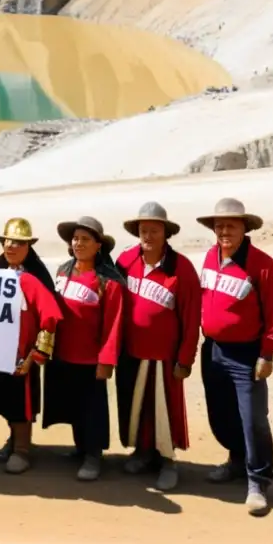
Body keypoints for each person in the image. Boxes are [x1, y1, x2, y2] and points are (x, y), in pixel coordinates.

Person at [198, 198, 273, 516]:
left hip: (246, 354)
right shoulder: (210, 257)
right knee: (221, 414)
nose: (224, 231)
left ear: (244, 228)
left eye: (231, 225)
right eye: (219, 225)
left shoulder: (261, 264)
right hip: (213, 349)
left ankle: (258, 480)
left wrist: (267, 352)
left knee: (253, 418)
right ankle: (237, 461)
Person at [115, 202, 200, 491]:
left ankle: (168, 461)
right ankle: (143, 452)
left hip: (165, 356)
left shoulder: (182, 269)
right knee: (136, 406)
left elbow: (191, 318)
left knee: (165, 411)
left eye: (154, 230)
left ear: (166, 233)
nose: (148, 236)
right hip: (132, 353)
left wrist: (185, 358)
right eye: (143, 230)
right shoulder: (125, 261)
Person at [45, 216, 124, 481]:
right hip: (63, 354)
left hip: (91, 358)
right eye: (76, 238)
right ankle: (80, 449)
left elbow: (114, 323)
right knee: (72, 406)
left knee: (92, 409)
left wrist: (107, 360)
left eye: (85, 239)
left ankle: (93, 455)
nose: (79, 243)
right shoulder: (63, 271)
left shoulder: (108, 281)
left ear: (98, 245)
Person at [0, 218, 61, 474]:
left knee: (21, 404)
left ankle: (22, 450)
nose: (11, 246)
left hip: (21, 356)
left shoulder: (32, 280)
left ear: (28, 247)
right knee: (6, 401)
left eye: (18, 242)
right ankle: (12, 441)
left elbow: (50, 317)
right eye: (7, 241)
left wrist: (34, 356)